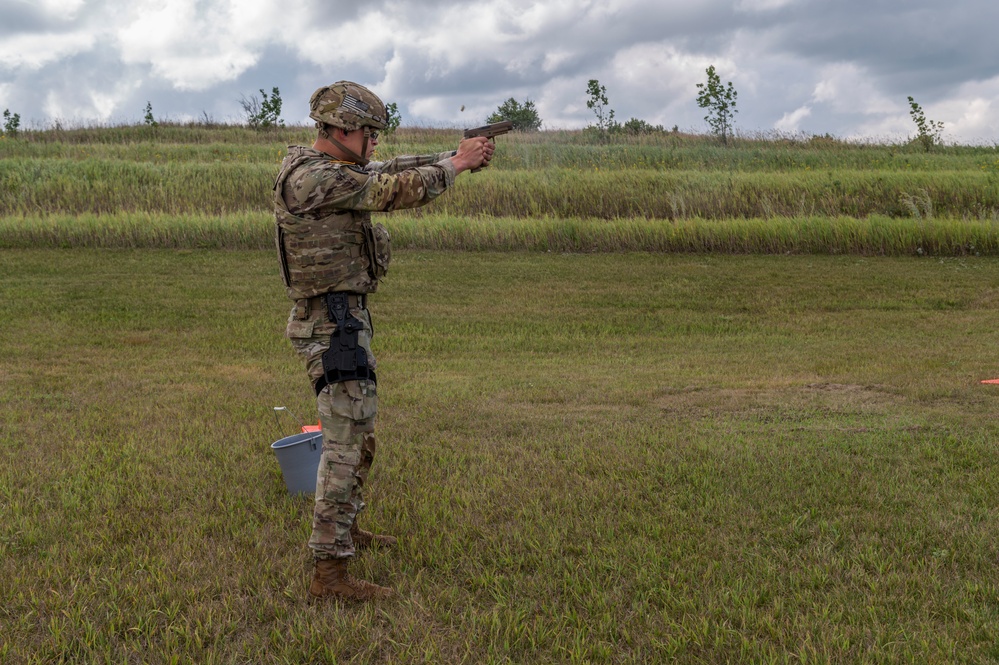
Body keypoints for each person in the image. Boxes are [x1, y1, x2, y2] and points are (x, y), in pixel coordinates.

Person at [274, 81, 494, 601]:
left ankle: (346, 533)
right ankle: (329, 577)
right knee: (345, 446)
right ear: (340, 129)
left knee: (360, 437)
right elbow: (390, 190)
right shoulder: (312, 178)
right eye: (367, 132)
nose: (374, 142)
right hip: (330, 326)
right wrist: (456, 167)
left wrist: (455, 155)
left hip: (342, 320)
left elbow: (388, 168)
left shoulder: (335, 167)